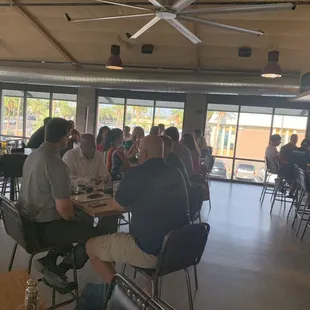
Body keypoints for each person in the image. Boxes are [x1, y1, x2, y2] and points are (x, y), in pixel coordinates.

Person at [18, 118, 117, 291]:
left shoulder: (33, 156)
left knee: (82, 222)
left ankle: (51, 263)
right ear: (64, 138)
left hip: (26, 223)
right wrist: (75, 220)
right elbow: (64, 211)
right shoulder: (57, 164)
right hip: (44, 228)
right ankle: (61, 268)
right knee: (96, 235)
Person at [86, 135, 190, 284]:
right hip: (178, 249)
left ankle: (118, 293)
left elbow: (118, 206)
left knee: (91, 246)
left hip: (149, 251)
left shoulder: (136, 173)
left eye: (140, 151)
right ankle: (145, 295)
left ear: (145, 154)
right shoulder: (176, 173)